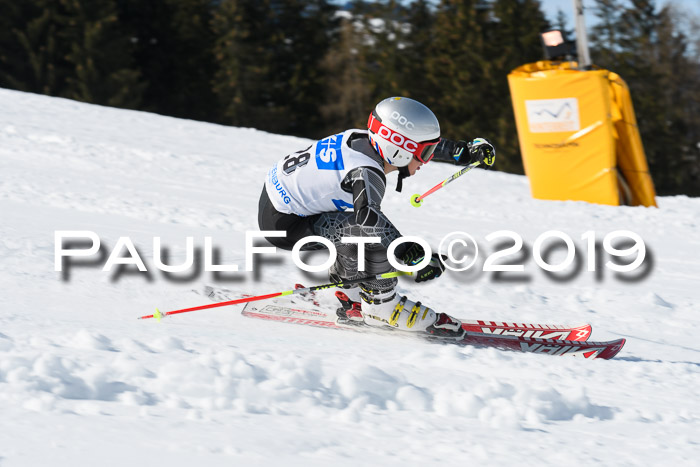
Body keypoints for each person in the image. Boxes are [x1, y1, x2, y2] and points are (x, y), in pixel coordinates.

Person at [257, 96, 495, 338]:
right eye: (426, 153)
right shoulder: (366, 173)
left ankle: (345, 292)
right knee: (365, 232)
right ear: (399, 151)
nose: (427, 159)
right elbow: (368, 221)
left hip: (279, 202)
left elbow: (410, 141)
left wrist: (460, 151)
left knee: (353, 225)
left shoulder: (366, 140)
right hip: (284, 224)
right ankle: (381, 307)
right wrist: (407, 253)